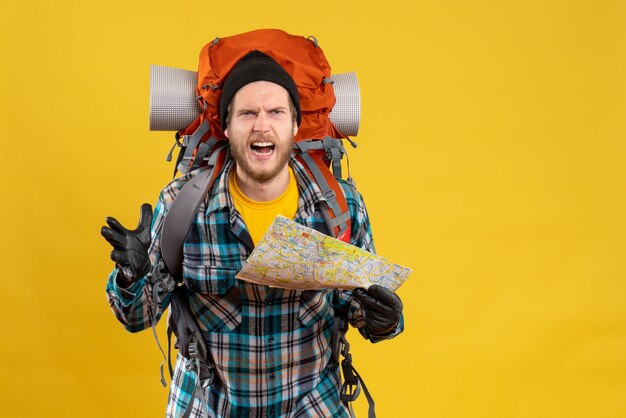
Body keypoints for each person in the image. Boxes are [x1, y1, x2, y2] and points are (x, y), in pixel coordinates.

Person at [101, 50, 404, 418]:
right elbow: (137, 317)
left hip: (311, 402)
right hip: (209, 403)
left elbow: (361, 313)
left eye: (276, 112)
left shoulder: (341, 206)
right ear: (227, 127)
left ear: (294, 124)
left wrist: (383, 316)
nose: (262, 126)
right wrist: (132, 277)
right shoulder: (182, 205)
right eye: (247, 113)